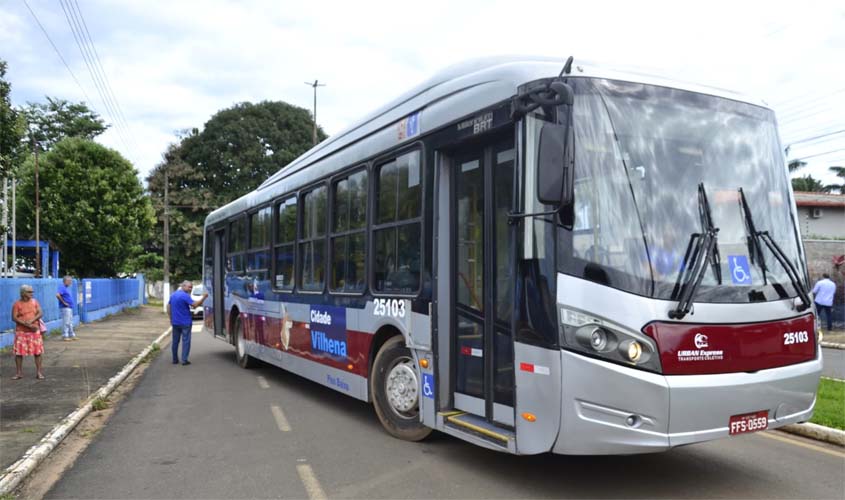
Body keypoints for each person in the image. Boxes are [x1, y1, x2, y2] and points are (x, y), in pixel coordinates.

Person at [167, 281, 208, 365]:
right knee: (186, 341)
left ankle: (175, 359)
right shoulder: (185, 296)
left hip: (175, 322)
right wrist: (204, 297)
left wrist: (171, 319)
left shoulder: (173, 295)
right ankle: (184, 360)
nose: (190, 289)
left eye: (191, 287)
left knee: (175, 341)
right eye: (189, 287)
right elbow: (195, 305)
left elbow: (168, 307)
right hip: (185, 322)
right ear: (183, 286)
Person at [11, 284, 45, 380]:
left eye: (32, 291)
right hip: (21, 331)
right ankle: (19, 373)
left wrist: (32, 320)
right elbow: (14, 317)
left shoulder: (35, 302)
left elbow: (40, 313)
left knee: (38, 352)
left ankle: (39, 372)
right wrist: (27, 325)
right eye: (29, 292)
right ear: (23, 293)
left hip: (34, 331)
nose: (32, 293)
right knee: (19, 353)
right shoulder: (17, 304)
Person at [56, 275, 77, 341]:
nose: (70, 282)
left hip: (69, 307)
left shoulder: (66, 288)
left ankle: (71, 335)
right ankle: (65, 335)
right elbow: (57, 295)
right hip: (65, 307)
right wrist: (64, 302)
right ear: (66, 281)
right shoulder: (62, 287)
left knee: (70, 321)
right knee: (66, 322)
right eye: (70, 281)